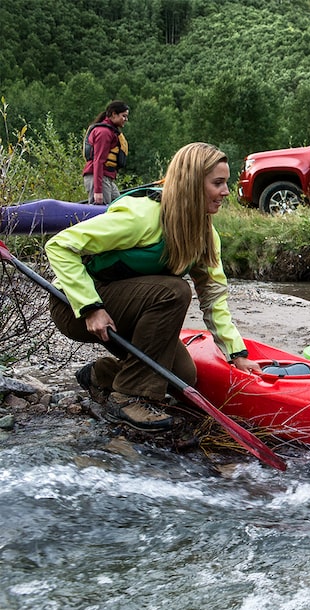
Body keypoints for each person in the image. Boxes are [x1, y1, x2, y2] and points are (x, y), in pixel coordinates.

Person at [46, 142, 261, 431]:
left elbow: (213, 298)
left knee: (183, 376)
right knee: (174, 290)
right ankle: (130, 396)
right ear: (193, 183)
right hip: (74, 307)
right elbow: (60, 246)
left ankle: (102, 375)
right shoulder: (142, 216)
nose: (225, 192)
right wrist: (90, 308)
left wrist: (238, 354)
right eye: (218, 183)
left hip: (126, 310)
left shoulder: (205, 234)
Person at [82, 100, 130, 205]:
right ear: (114, 114)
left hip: (106, 178)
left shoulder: (112, 132)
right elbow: (98, 161)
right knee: (101, 212)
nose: (126, 119)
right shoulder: (104, 132)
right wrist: (98, 191)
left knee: (120, 206)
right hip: (98, 178)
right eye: (124, 116)